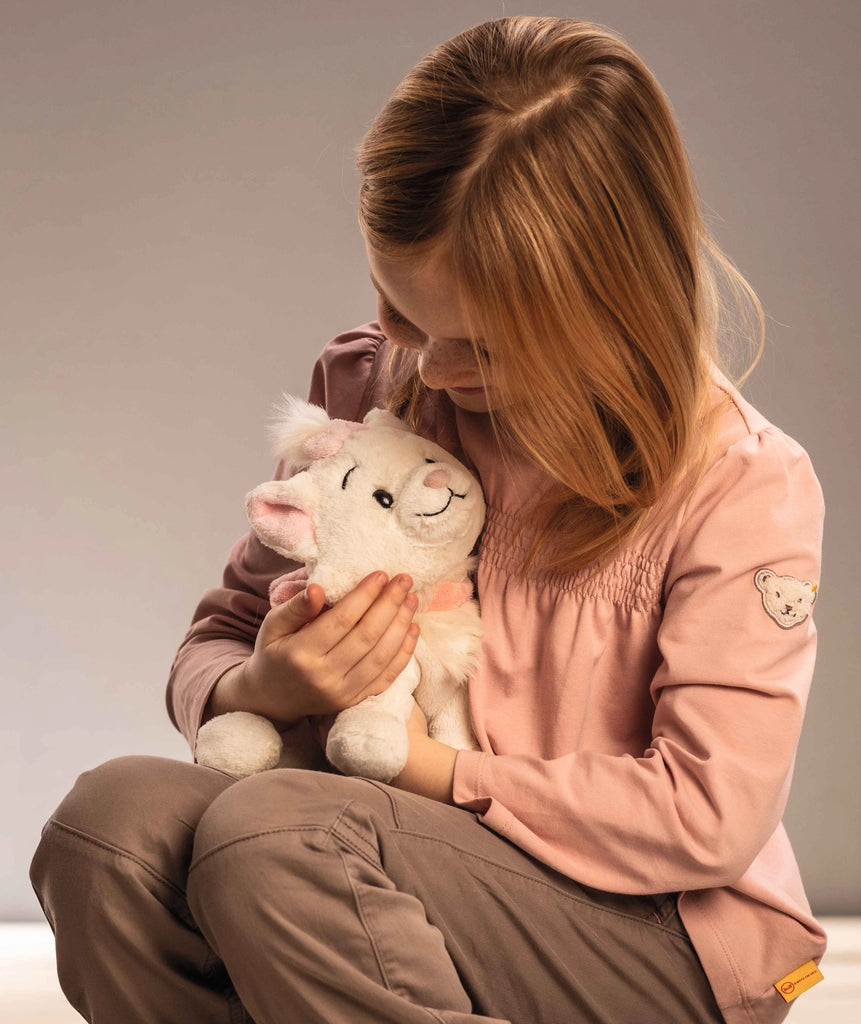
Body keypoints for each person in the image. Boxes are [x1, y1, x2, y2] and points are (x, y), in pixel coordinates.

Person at [30, 16, 825, 1024]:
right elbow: (222, 628)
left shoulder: (738, 482)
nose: (425, 365)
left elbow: (706, 815)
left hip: (659, 929)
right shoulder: (371, 381)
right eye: (399, 308)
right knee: (111, 827)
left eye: (479, 347)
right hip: (367, 851)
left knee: (278, 836)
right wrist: (263, 684)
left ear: (611, 305)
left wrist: (421, 766)